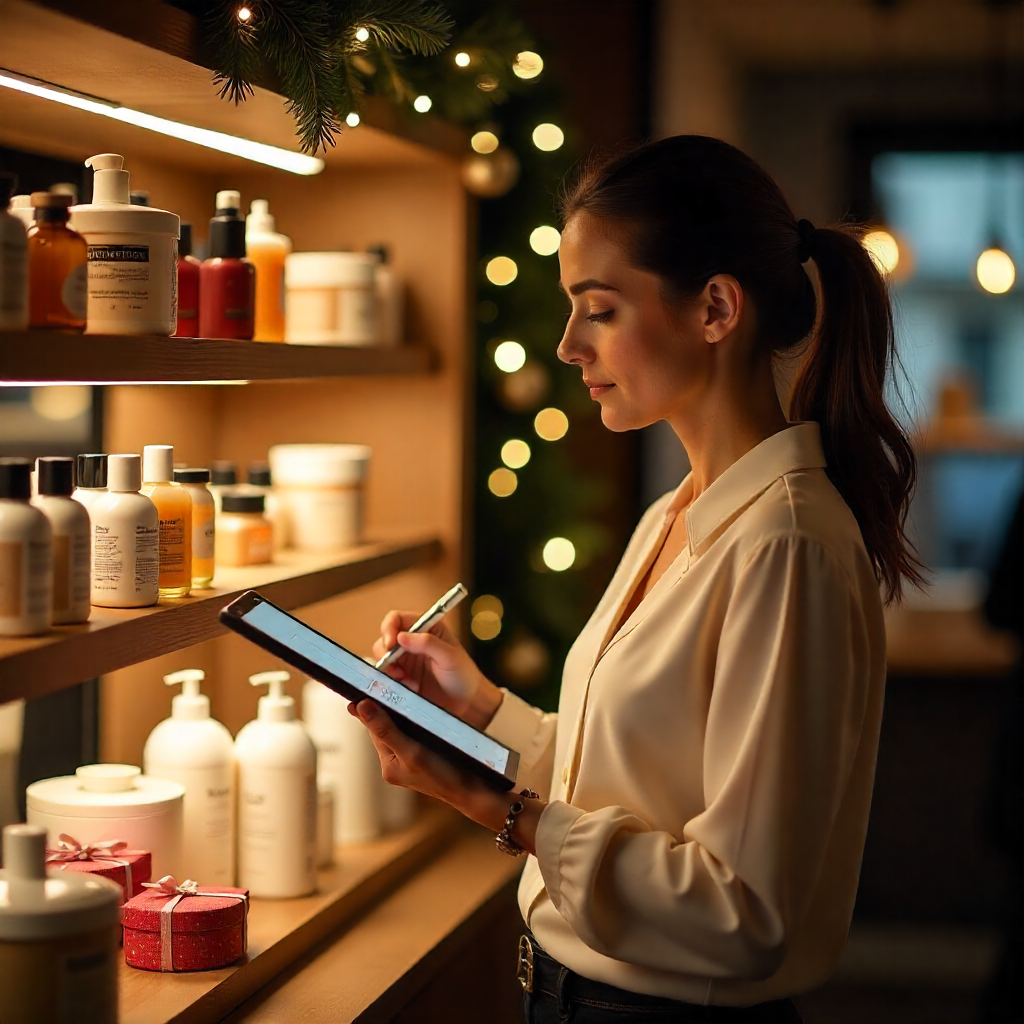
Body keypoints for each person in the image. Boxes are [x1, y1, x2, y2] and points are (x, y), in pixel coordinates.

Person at [348, 136, 922, 1023]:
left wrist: (487, 803)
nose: (569, 345)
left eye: (599, 309)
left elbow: (744, 913)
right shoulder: (674, 516)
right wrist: (484, 711)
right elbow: (633, 786)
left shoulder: (788, 545)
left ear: (717, 309)